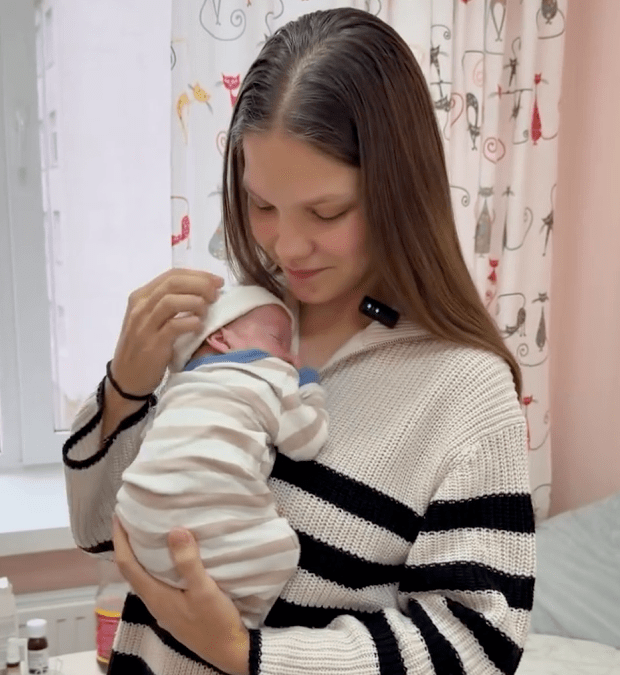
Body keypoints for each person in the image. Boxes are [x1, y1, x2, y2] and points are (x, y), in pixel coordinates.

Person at [63, 7, 535, 675]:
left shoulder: (466, 389)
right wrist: (125, 389)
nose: (286, 247)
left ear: (401, 191)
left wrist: (247, 654)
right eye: (262, 205)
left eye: (326, 211)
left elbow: (476, 645)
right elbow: (98, 533)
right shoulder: (233, 320)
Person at [114, 284, 328, 630]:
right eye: (279, 340)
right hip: (217, 526)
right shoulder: (267, 373)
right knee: (279, 553)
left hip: (138, 520)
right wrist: (309, 389)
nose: (291, 357)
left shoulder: (176, 389)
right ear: (221, 339)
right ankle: (242, 623)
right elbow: (306, 441)